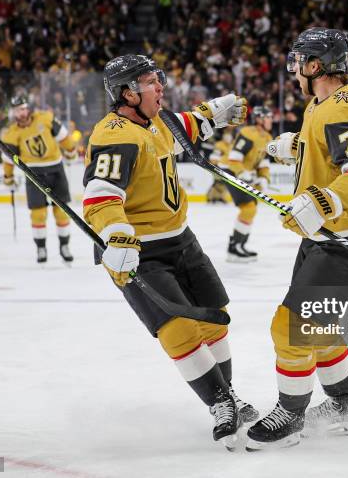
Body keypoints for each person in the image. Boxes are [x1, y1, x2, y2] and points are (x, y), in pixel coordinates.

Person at [82, 54, 257, 448]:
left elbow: (187, 125)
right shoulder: (115, 135)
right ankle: (220, 403)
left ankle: (228, 395)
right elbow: (100, 194)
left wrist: (217, 111)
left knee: (215, 320)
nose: (160, 86)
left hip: (182, 240)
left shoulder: (155, 121)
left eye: (158, 78)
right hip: (139, 251)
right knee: (177, 327)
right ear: (127, 93)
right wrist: (116, 234)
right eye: (150, 81)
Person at [246, 28, 348, 450]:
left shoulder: (344, 106)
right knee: (319, 322)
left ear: (315, 66)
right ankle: (343, 407)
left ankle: (290, 415)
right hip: (330, 232)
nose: (294, 70)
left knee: (292, 325)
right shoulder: (321, 105)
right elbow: (335, 152)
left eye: (298, 62)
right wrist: (298, 146)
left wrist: (324, 199)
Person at [1, 94, 78, 264]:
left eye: (22, 109)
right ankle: (41, 247)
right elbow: (8, 159)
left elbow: (64, 137)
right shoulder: (11, 134)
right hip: (33, 174)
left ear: (28, 108)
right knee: (38, 214)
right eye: (17, 111)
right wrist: (8, 177)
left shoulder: (45, 118)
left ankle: (64, 246)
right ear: (13, 113)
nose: (21, 113)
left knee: (62, 211)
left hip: (56, 169)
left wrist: (71, 151)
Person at [219, 105, 273, 262]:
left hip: (242, 173)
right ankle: (234, 249)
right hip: (230, 171)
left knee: (251, 209)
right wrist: (243, 173)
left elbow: (263, 162)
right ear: (259, 119)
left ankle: (238, 246)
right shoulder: (248, 133)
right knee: (248, 208)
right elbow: (234, 158)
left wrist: (264, 178)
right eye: (268, 116)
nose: (271, 120)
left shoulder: (268, 138)